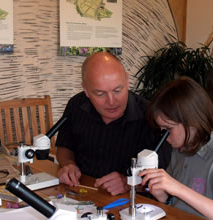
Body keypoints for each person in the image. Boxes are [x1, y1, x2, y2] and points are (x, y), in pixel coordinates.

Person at [139, 77, 213, 220]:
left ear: (192, 121)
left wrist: (178, 188)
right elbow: (176, 203)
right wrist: (164, 196)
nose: (166, 138)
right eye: (162, 130)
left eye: (168, 129)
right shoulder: (179, 149)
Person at [56, 52, 170, 195]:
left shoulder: (150, 117)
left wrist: (127, 183)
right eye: (100, 94)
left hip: (132, 204)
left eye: (117, 90)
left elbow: (163, 179)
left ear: (127, 81)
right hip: (81, 192)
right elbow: (64, 147)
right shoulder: (76, 105)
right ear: (85, 90)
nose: (111, 101)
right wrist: (68, 165)